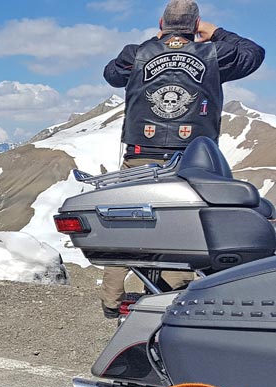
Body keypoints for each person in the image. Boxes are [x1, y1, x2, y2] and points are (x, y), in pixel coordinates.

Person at [99, 0, 265, 318]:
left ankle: (111, 300)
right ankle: (170, 299)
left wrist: (156, 45)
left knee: (124, 222)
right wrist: (216, 32)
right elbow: (253, 53)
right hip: (191, 160)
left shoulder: (136, 54)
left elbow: (111, 74)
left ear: (162, 24)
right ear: (196, 25)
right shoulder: (214, 54)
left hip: (140, 157)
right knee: (181, 226)